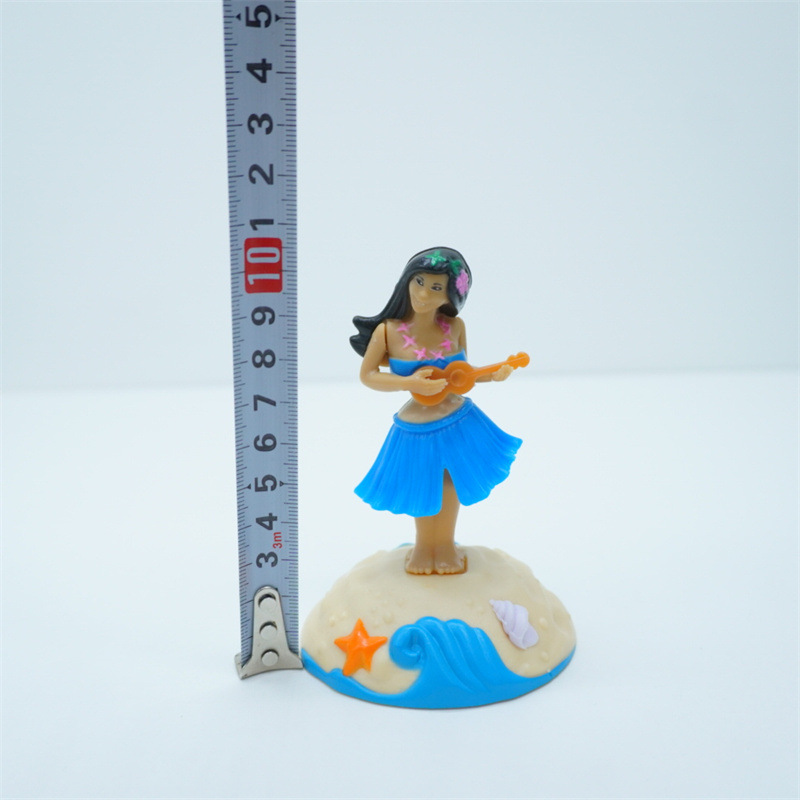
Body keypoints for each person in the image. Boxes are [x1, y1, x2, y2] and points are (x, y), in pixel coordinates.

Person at [350, 247, 522, 575]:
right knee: (423, 484)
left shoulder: (455, 328)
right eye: (419, 282)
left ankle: (444, 547)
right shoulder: (388, 331)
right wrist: (409, 383)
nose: (423, 294)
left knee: (451, 485)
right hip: (417, 424)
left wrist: (493, 375)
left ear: (451, 296)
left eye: (436, 287)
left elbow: (462, 377)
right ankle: (422, 547)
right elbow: (368, 375)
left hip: (457, 420)